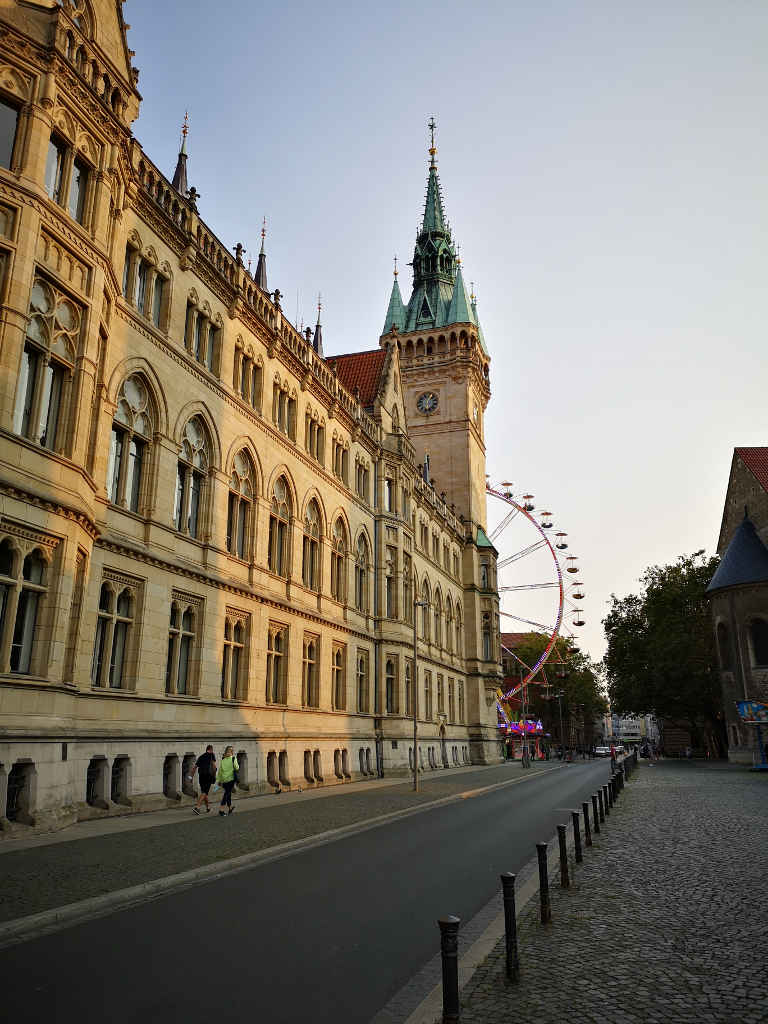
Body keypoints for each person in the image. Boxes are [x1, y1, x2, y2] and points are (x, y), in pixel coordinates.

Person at [191, 744, 217, 814]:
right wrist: (214, 776)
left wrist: (191, 777)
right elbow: (214, 766)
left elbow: (194, 768)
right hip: (208, 776)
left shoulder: (201, 757)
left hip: (201, 776)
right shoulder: (212, 755)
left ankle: (208, 808)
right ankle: (197, 807)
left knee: (204, 792)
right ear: (211, 749)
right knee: (205, 792)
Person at [216, 745, 239, 816]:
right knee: (226, 794)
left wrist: (219, 780)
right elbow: (237, 767)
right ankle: (221, 810)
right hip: (230, 779)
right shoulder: (233, 758)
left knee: (228, 793)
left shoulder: (223, 760)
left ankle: (230, 807)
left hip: (224, 780)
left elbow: (220, 771)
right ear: (232, 752)